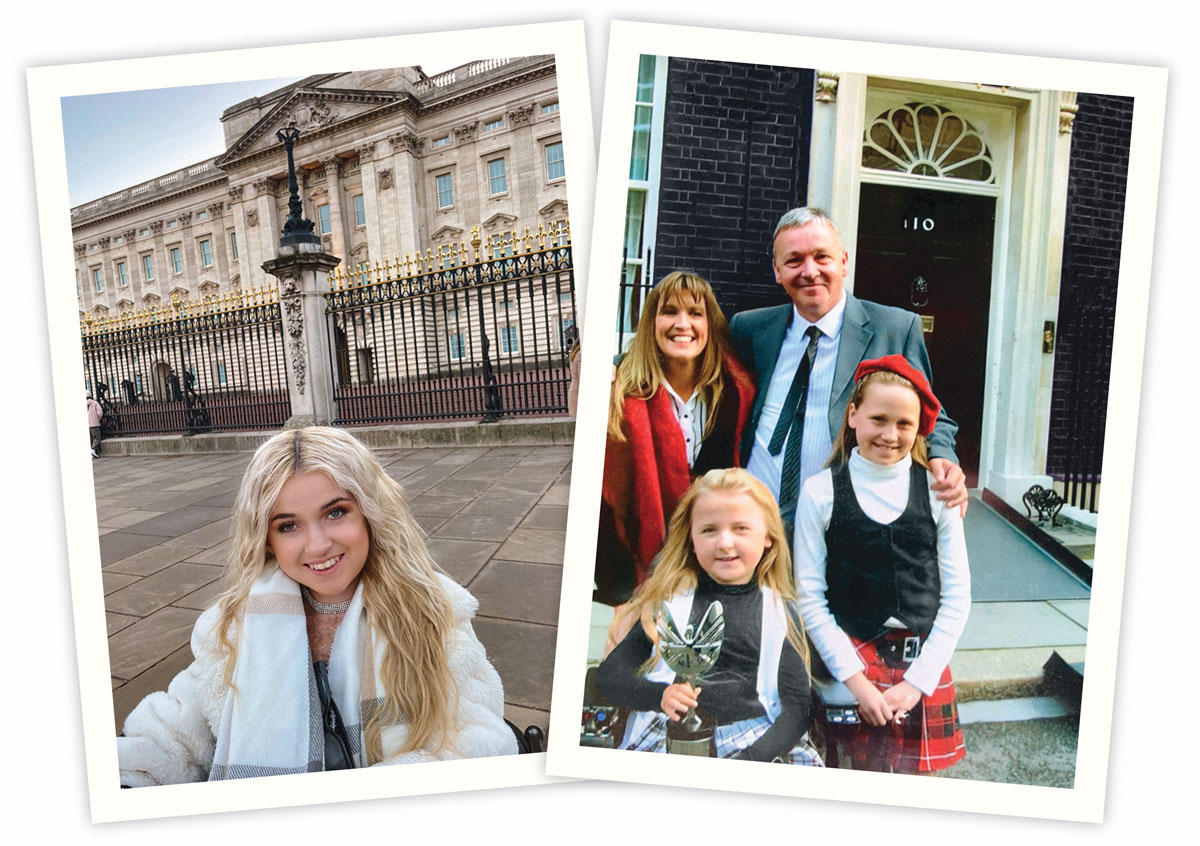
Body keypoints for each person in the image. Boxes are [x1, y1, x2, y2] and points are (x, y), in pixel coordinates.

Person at [117, 426, 516, 786]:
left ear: (370, 514)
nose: (318, 545)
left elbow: (479, 741)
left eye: (335, 512)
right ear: (267, 538)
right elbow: (174, 737)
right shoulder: (234, 625)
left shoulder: (433, 612)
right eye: (288, 525)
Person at [729, 207, 968, 539]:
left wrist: (944, 456)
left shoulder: (894, 329)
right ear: (777, 270)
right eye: (794, 260)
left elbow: (931, 413)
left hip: (843, 522)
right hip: (754, 523)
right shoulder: (749, 329)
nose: (810, 271)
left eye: (822, 257)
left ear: (843, 261)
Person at [794, 355, 970, 773]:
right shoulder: (820, 492)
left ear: (920, 428)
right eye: (878, 419)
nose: (890, 435)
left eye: (904, 424)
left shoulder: (937, 491)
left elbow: (958, 596)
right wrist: (857, 685)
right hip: (850, 660)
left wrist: (915, 686)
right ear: (853, 414)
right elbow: (810, 598)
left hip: (921, 665)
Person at [596, 468, 819, 763]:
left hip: (755, 740)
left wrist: (751, 760)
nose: (725, 542)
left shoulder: (780, 612)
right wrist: (658, 695)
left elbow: (798, 708)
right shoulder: (670, 604)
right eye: (709, 530)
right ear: (691, 538)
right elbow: (610, 677)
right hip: (670, 735)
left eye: (740, 528)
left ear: (768, 537)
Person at [597, 271, 755, 606]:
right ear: (652, 322)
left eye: (695, 313)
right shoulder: (617, 393)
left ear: (709, 324)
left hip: (715, 567)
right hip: (635, 573)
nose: (682, 324)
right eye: (669, 311)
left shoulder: (737, 396)